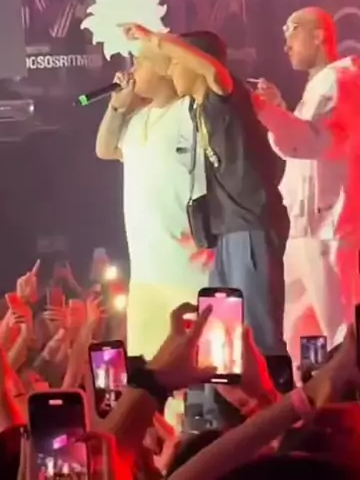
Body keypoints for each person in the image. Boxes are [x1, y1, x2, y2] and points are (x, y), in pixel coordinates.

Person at [121, 24, 289, 359]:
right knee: (223, 334)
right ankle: (229, 394)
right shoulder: (196, 108)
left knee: (257, 335)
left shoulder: (224, 98)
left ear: (196, 62)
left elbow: (213, 72)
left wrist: (154, 39)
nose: (170, 70)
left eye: (176, 62)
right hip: (228, 231)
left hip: (250, 225)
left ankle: (275, 391)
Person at [95, 45, 209, 362]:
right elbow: (105, 149)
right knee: (146, 368)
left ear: (164, 68)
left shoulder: (190, 112)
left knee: (195, 363)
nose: (131, 71)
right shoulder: (137, 120)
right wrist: (117, 107)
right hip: (145, 274)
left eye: (140, 63)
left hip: (189, 270)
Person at [254, 7, 356, 358]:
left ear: (319, 35)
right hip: (304, 232)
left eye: (293, 30)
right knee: (301, 337)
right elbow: (298, 151)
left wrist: (264, 110)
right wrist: (279, 109)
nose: (285, 44)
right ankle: (307, 392)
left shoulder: (341, 80)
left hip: (329, 232)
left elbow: (309, 142)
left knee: (339, 336)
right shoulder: (319, 85)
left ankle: (342, 394)